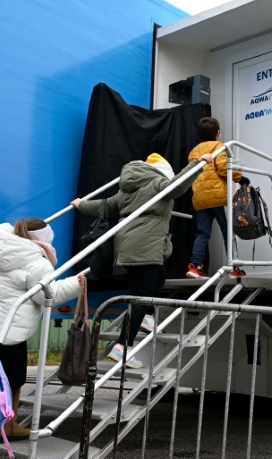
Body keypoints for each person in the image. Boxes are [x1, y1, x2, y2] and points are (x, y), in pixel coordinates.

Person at [71, 151, 213, 368]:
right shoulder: (157, 183)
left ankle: (147, 316)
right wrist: (198, 163)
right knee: (141, 298)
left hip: (131, 246)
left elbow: (105, 205)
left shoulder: (127, 189)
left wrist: (81, 204)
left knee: (159, 277)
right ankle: (122, 346)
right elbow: (178, 185)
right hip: (145, 247)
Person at [0, 218, 84, 442]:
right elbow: (46, 295)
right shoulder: (36, 262)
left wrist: (7, 228)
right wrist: (76, 284)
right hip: (14, 328)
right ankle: (8, 427)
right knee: (14, 378)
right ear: (42, 241)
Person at [186, 116, 249, 279]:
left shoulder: (193, 152)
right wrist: (240, 178)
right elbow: (223, 168)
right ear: (218, 133)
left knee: (202, 234)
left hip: (201, 200)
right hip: (219, 199)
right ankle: (234, 268)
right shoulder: (219, 146)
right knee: (228, 231)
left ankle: (195, 267)